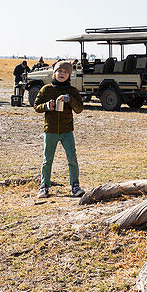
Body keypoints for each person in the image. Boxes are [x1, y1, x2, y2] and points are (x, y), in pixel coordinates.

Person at [33, 60, 84, 199]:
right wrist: (47, 106)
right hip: (50, 130)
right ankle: (44, 187)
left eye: (65, 72)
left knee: (72, 159)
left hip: (67, 131)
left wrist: (70, 99)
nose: (62, 74)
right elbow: (36, 106)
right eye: (59, 71)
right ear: (54, 73)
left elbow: (79, 109)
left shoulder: (72, 91)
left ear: (69, 75)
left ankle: (75, 186)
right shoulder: (46, 89)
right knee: (47, 160)